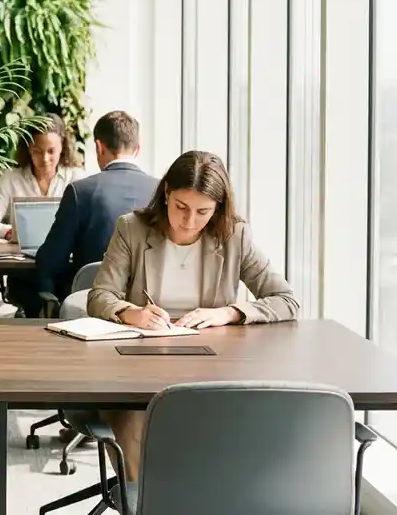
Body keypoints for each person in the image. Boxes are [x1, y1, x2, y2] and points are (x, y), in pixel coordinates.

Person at [87, 150, 299, 482]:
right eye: (181, 208)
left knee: (241, 417)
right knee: (135, 420)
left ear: (218, 209)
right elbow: (100, 296)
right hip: (138, 363)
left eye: (202, 212)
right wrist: (131, 313)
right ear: (167, 192)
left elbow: (285, 300)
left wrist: (229, 312)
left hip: (209, 363)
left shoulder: (235, 237)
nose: (189, 221)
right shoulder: (133, 228)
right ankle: (145, 501)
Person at [14, 110, 158, 316]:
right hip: (148, 306)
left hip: (90, 305)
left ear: (99, 146)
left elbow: (51, 260)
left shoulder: (80, 191)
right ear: (137, 149)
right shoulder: (162, 191)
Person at [0, 113, 86, 239]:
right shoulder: (11, 179)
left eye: (51, 151)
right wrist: (11, 232)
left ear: (62, 147)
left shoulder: (76, 178)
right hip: (19, 256)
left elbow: (89, 222)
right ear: (29, 149)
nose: (45, 159)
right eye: (38, 151)